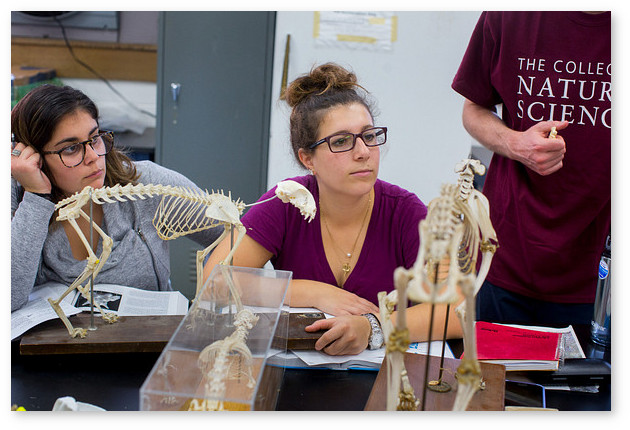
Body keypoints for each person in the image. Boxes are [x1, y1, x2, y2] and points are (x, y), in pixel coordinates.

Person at [204, 63, 463, 356]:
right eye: (341, 141)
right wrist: (314, 293)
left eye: (369, 136)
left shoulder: (405, 213)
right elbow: (214, 281)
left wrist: (373, 326)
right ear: (307, 158)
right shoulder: (287, 202)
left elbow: (457, 310)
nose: (363, 151)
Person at [451, 12, 611, 326]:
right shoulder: (510, 15)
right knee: (498, 375)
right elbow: (473, 108)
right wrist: (516, 144)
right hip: (508, 257)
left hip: (601, 271)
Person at [11, 84, 222, 311]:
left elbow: (234, 234)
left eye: (94, 138)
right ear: (34, 158)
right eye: (71, 148)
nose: (93, 157)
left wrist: (205, 306)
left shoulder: (145, 184)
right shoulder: (19, 196)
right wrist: (36, 197)